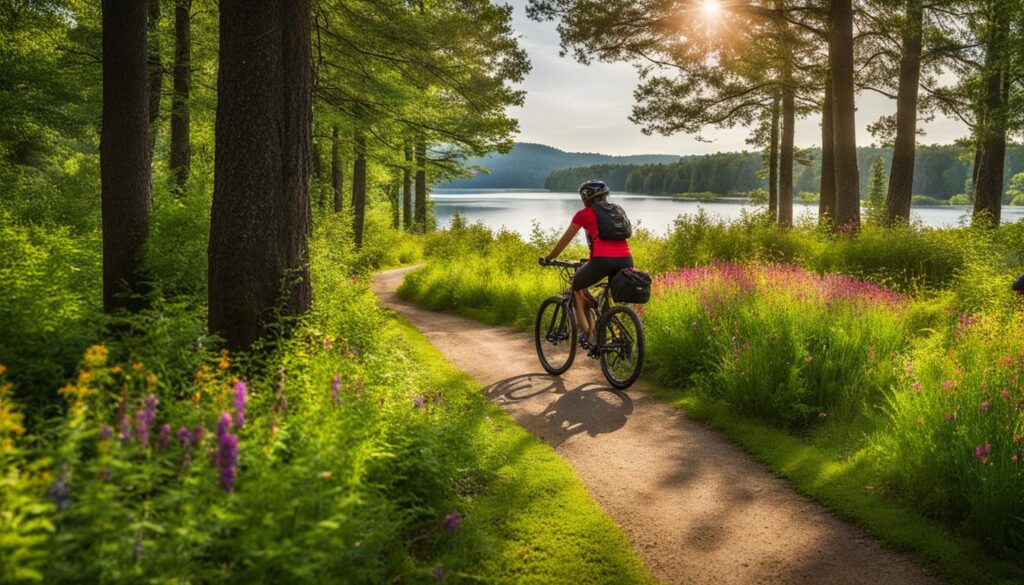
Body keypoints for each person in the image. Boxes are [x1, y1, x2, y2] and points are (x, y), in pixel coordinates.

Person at [542, 180, 633, 347]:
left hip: (602, 260)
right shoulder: (616, 210)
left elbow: (564, 241)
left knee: (576, 284)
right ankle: (607, 337)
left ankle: (588, 336)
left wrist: (549, 257)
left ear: (585, 198)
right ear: (605, 195)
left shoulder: (583, 214)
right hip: (626, 259)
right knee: (607, 298)